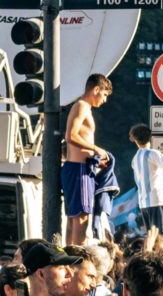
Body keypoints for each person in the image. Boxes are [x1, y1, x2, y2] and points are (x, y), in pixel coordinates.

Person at [62, 74, 113, 245]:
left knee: (74, 219)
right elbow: (71, 136)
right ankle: (77, 266)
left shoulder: (82, 107)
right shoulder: (82, 106)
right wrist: (97, 149)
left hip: (78, 167)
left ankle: (70, 263)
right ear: (96, 89)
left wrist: (96, 159)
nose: (105, 100)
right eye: (104, 95)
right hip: (79, 170)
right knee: (81, 221)